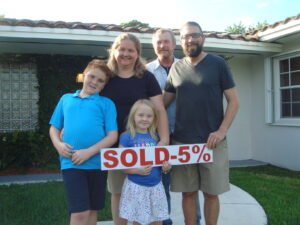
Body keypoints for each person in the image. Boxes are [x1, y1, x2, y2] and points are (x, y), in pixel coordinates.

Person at [164, 22, 239, 225]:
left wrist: (221, 131)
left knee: (211, 194)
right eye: (186, 37)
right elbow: (162, 103)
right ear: (180, 41)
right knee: (188, 194)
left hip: (211, 142)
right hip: (182, 142)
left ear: (202, 38)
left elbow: (234, 101)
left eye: (195, 35)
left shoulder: (218, 64)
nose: (190, 40)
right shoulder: (176, 68)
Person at [102, 33, 169, 225]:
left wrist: (163, 141)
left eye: (130, 50)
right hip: (115, 147)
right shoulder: (106, 76)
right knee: (118, 192)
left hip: (145, 145)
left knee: (148, 192)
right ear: (114, 51)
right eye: (121, 49)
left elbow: (159, 109)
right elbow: (90, 102)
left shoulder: (146, 77)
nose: (125, 54)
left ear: (137, 53)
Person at [49, 59, 118, 225]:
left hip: (96, 163)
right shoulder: (66, 99)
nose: (94, 82)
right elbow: (54, 128)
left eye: (100, 81)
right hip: (71, 162)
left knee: (92, 211)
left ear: (104, 85)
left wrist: (88, 152)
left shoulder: (106, 104)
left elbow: (112, 136)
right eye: (92, 76)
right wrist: (58, 145)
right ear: (84, 75)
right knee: (80, 212)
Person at [146, 28, 202, 225]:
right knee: (161, 183)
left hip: (186, 135)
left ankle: (195, 221)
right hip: (158, 136)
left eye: (166, 41)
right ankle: (164, 221)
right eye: (159, 42)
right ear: (154, 46)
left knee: (191, 185)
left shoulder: (189, 66)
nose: (163, 46)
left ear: (174, 44)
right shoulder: (145, 72)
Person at [119, 99, 171, 225]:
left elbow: (161, 164)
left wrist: (165, 167)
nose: (144, 119)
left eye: (149, 116)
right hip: (137, 186)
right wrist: (137, 170)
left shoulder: (156, 137)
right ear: (133, 116)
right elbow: (120, 165)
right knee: (139, 221)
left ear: (154, 118)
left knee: (157, 220)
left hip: (156, 186)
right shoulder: (126, 137)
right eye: (141, 115)